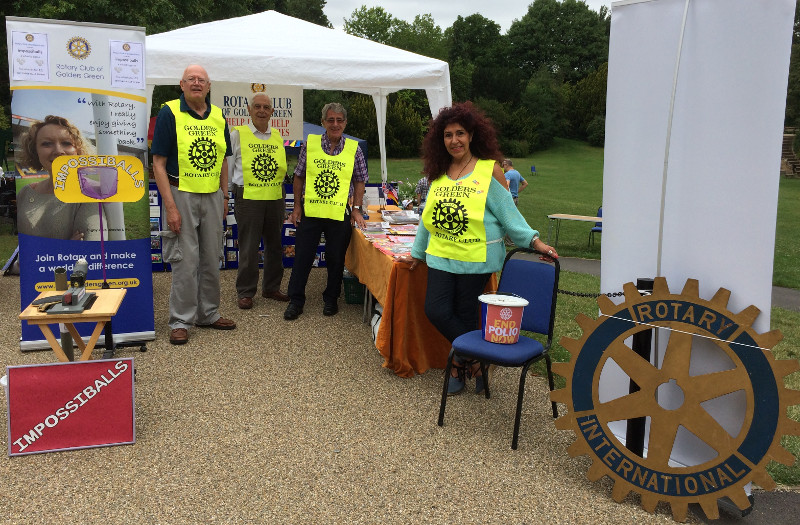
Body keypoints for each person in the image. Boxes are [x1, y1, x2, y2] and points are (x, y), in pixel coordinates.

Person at [397, 102, 557, 395]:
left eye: (460, 133)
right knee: (436, 310)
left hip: (477, 260)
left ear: (471, 135)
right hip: (441, 257)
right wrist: (417, 254)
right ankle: (479, 360)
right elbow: (427, 220)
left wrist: (535, 242)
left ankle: (460, 364)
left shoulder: (488, 170)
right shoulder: (440, 172)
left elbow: (509, 215)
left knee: (466, 315)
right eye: (447, 135)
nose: (454, 140)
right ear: (440, 139)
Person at [151, 64, 236, 345]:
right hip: (181, 194)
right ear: (182, 84)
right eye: (191, 79)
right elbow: (158, 164)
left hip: (212, 195)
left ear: (209, 86)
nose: (197, 83)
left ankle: (208, 313)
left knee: (212, 257)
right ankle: (180, 320)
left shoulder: (219, 117)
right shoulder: (170, 112)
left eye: (202, 80)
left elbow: (224, 160)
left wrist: (225, 196)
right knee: (185, 261)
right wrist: (171, 207)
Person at [284, 102, 367, 320]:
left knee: (336, 258)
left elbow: (360, 180)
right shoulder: (309, 145)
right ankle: (296, 300)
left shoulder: (354, 149)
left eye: (340, 120)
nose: (335, 124)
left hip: (339, 213)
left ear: (345, 123)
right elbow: (299, 175)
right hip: (311, 211)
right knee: (302, 256)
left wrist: (356, 209)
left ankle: (331, 298)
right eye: (330, 120)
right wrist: (297, 207)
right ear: (323, 122)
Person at [229, 93, 289, 309]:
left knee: (275, 246)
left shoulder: (278, 136)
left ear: (272, 111)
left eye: (266, 107)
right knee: (248, 247)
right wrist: (227, 193)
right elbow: (229, 166)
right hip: (248, 198)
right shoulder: (238, 134)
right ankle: (245, 292)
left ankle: (271, 287)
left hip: (274, 198)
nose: (262, 110)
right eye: (257, 106)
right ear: (249, 109)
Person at [16, 115, 107, 240]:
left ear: (78, 150)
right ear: (35, 151)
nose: (58, 150)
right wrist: (66, 248)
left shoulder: (90, 194)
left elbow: (88, 253)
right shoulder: (25, 192)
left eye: (66, 143)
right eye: (47, 144)